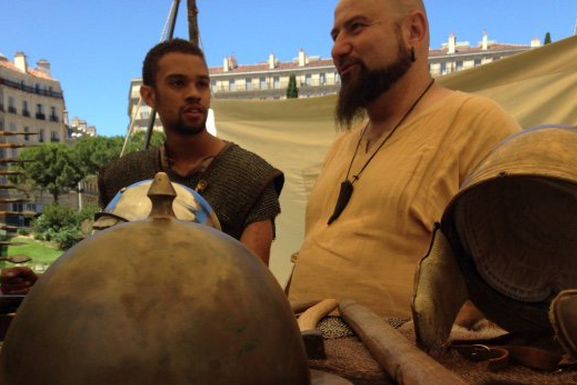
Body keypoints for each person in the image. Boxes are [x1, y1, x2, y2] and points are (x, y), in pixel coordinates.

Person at [287, 0, 522, 318]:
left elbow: (517, 281)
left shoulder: (477, 123)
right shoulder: (341, 146)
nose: (338, 49)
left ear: (414, 30)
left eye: (356, 27)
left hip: (403, 361)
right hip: (303, 350)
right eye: (335, 35)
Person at [1, 39, 283, 294]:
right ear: (149, 96)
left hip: (219, 337)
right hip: (125, 338)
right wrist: (40, 286)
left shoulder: (252, 176)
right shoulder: (122, 176)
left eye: (202, 84)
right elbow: (99, 271)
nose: (194, 93)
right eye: (177, 83)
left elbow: (253, 289)